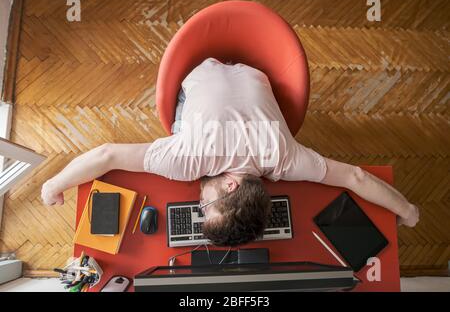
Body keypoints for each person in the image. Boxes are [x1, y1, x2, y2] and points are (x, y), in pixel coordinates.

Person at [41, 57, 419, 246]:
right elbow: (105, 154)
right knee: (178, 129)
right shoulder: (185, 160)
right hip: (202, 69)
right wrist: (54, 185)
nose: (198, 200)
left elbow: (355, 178)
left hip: (256, 73)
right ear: (232, 188)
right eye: (206, 207)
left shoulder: (286, 159)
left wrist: (408, 210)